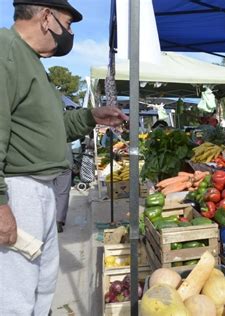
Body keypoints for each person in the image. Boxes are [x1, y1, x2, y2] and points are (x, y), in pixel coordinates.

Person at [0, 1, 128, 315]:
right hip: (20, 190)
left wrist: (91, 116)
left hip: (39, 191)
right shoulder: (6, 52)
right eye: (68, 24)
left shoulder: (31, 62)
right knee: (16, 294)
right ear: (46, 17)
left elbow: (55, 128)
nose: (69, 34)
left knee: (43, 282)